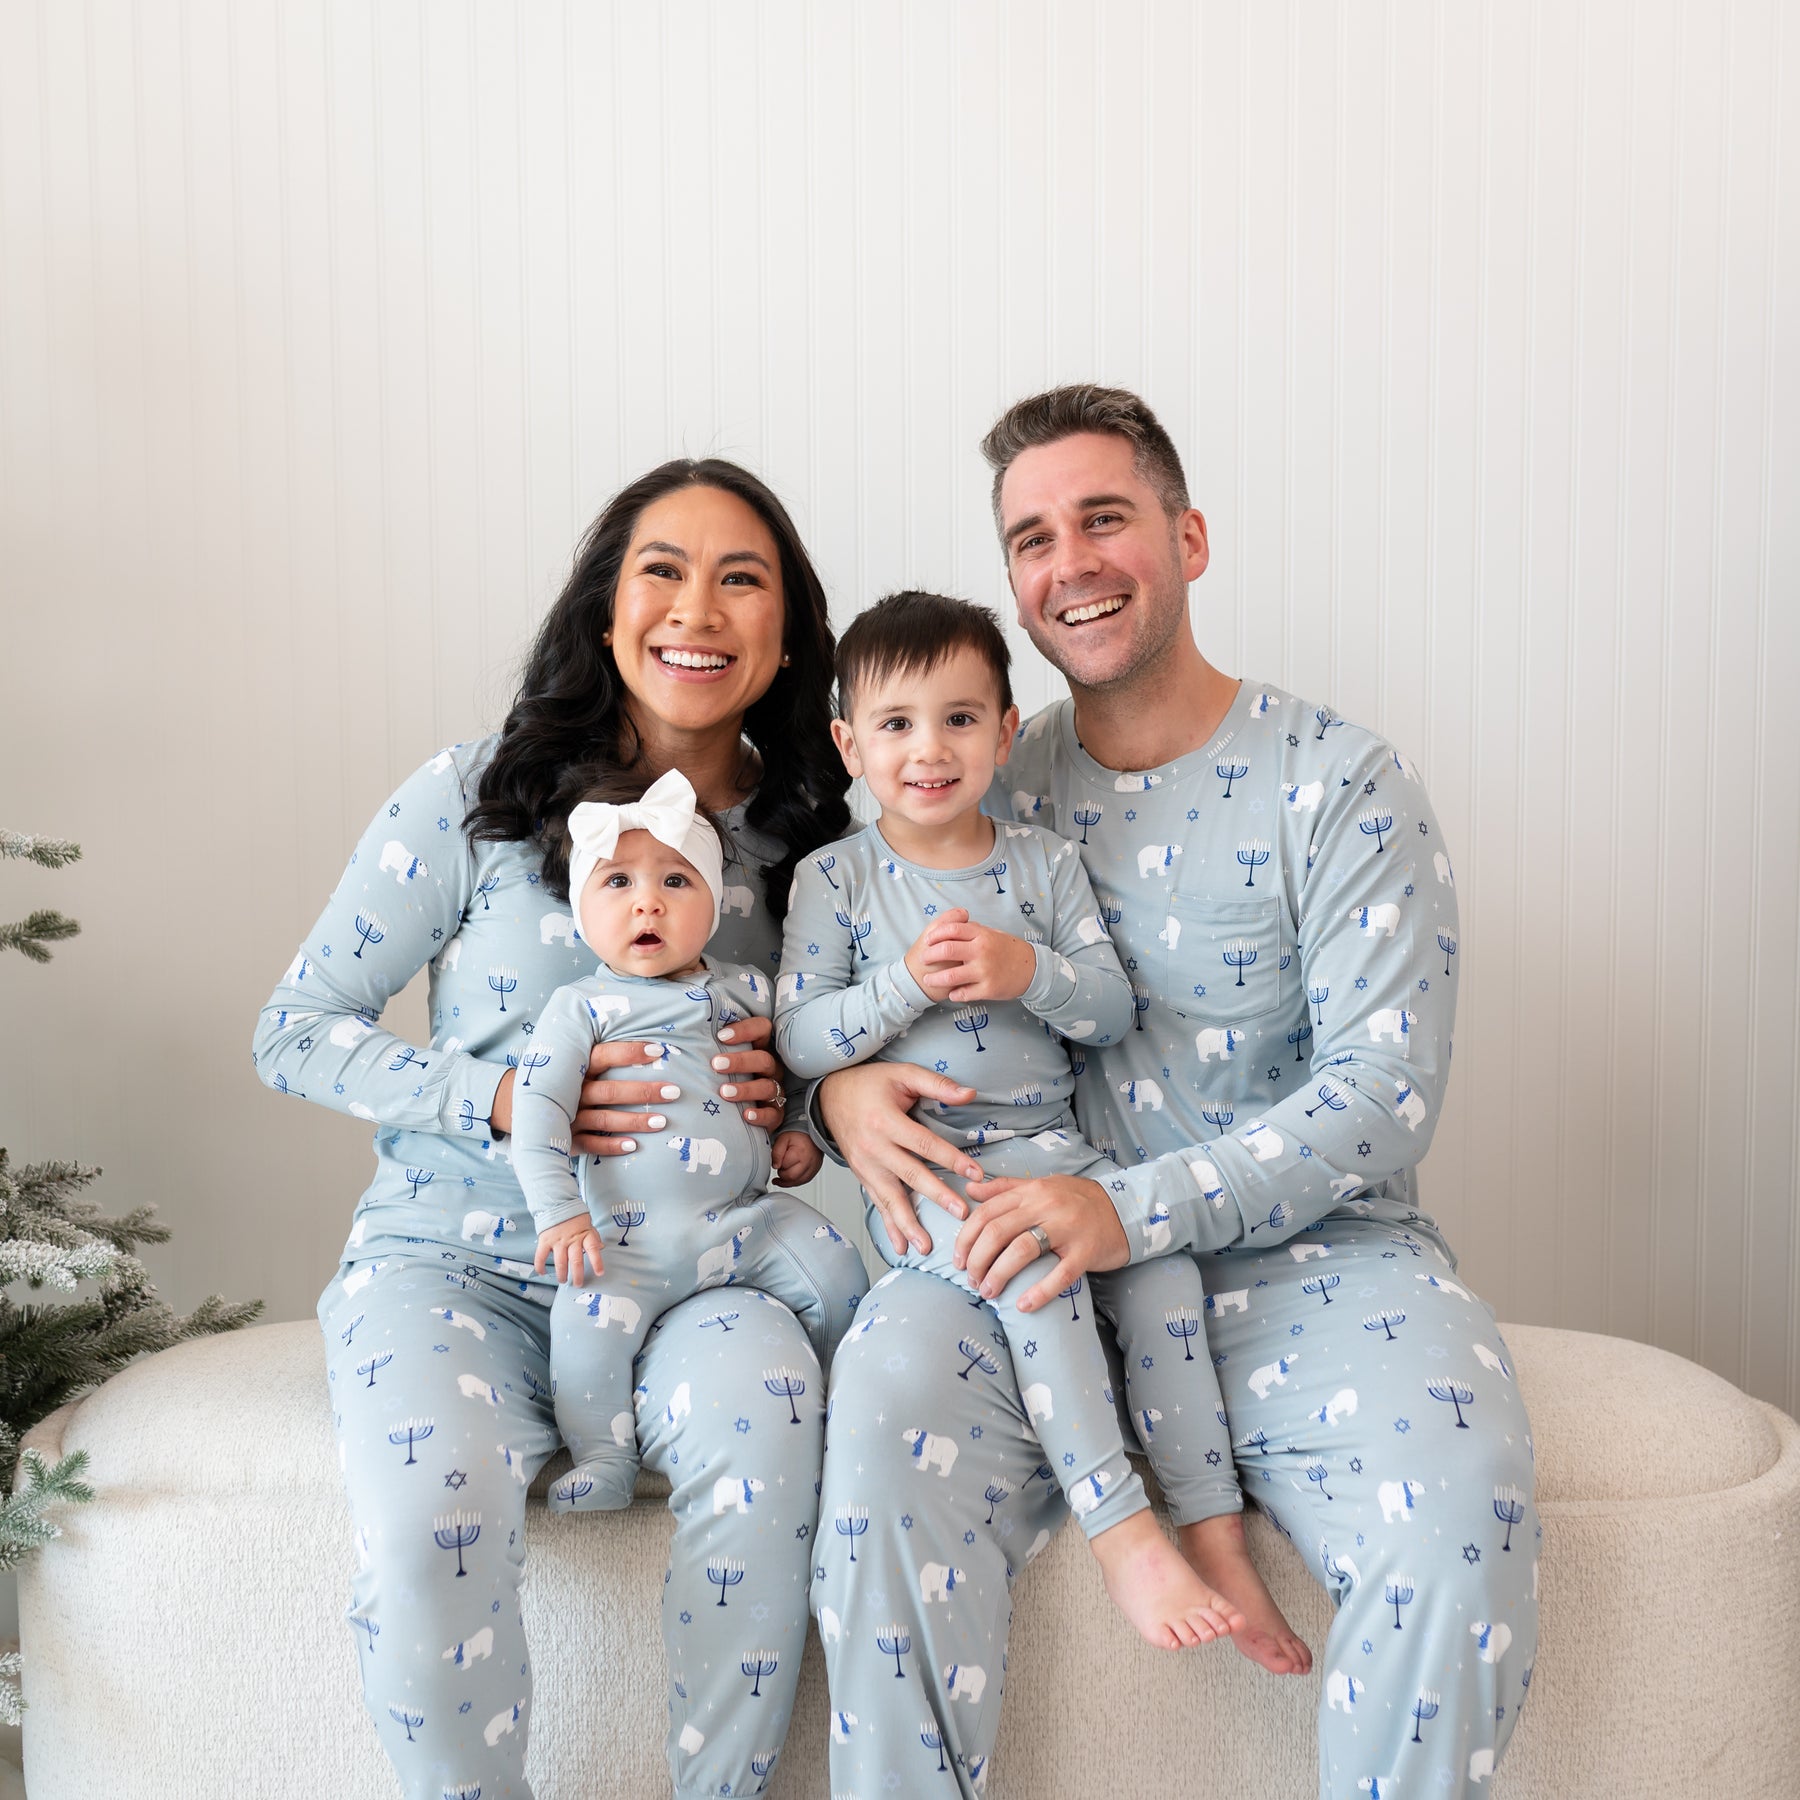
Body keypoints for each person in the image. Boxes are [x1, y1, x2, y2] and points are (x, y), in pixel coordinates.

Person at [812, 387, 1537, 1800]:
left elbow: (1385, 1095)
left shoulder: (1339, 783)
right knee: (881, 1440)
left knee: (1463, 1512)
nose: (1069, 561)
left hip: (1315, 1266)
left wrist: (1122, 1209)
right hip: (1009, 1265)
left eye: (1104, 519)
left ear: (1187, 537)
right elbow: (833, 966)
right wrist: (836, 1093)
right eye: (1032, 537)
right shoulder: (967, 780)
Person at [253, 459, 853, 1800]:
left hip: (703, 1272)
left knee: (767, 1443)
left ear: (788, 636)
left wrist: (801, 1100)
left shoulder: (814, 844)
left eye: (741, 578)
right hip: (456, 1263)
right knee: (428, 1527)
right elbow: (294, 1029)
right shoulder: (474, 797)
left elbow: (849, 1055)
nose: (698, 609)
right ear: (604, 611)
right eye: (663, 570)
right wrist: (498, 1099)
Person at [783, 589, 1307, 1664]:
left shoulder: (1040, 867)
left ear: (1005, 731)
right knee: (1040, 1280)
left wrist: (1028, 971)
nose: (929, 750)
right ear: (849, 743)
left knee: (1162, 1278)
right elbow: (800, 1038)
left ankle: (1214, 1532)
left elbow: (1110, 1010)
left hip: (1062, 1157)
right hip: (933, 1182)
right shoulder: (834, 880)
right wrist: (895, 993)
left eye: (960, 719)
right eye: (895, 725)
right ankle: (1124, 1536)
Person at [513, 766, 866, 1512]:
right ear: (580, 911)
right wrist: (559, 1214)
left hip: (746, 1220)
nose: (647, 901)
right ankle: (605, 1455)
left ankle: (853, 1408)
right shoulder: (579, 1008)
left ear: (711, 905)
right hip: (623, 1243)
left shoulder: (747, 988)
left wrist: (799, 1125)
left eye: (676, 881)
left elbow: (793, 1067)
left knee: (836, 1272)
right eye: (616, 884)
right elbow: (538, 1115)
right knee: (583, 1331)